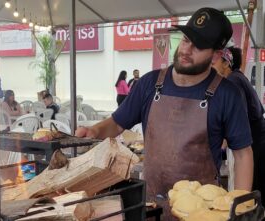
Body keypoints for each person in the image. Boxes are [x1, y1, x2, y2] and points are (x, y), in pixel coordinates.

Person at [76, 8, 254, 220]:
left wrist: (241, 209)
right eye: (186, 39)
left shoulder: (227, 94)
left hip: (203, 213)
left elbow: (243, 155)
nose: (186, 49)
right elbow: (116, 123)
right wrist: (94, 130)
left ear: (215, 54)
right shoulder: (149, 84)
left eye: (198, 46)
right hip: (151, 206)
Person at [213, 47, 265, 205]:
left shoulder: (232, 81)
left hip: (255, 142)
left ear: (226, 64)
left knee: (252, 192)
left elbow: (237, 117)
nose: (211, 66)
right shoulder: (238, 77)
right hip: (258, 137)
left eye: (214, 62)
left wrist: (224, 140)